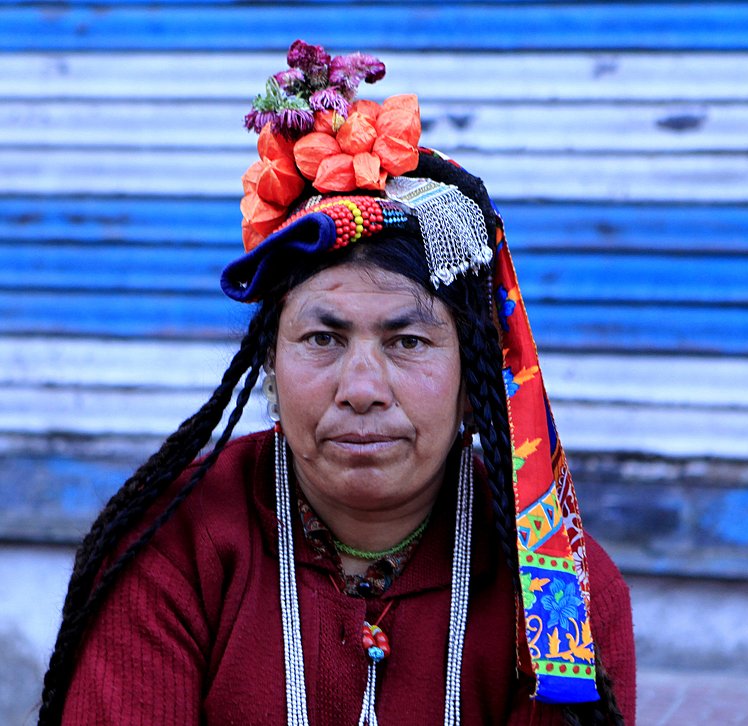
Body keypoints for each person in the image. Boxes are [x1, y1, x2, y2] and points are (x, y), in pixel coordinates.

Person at [39, 41, 635, 725]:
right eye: (323, 338)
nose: (361, 387)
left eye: (407, 341)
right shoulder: (172, 548)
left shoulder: (559, 598)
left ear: (477, 379)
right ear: (269, 364)